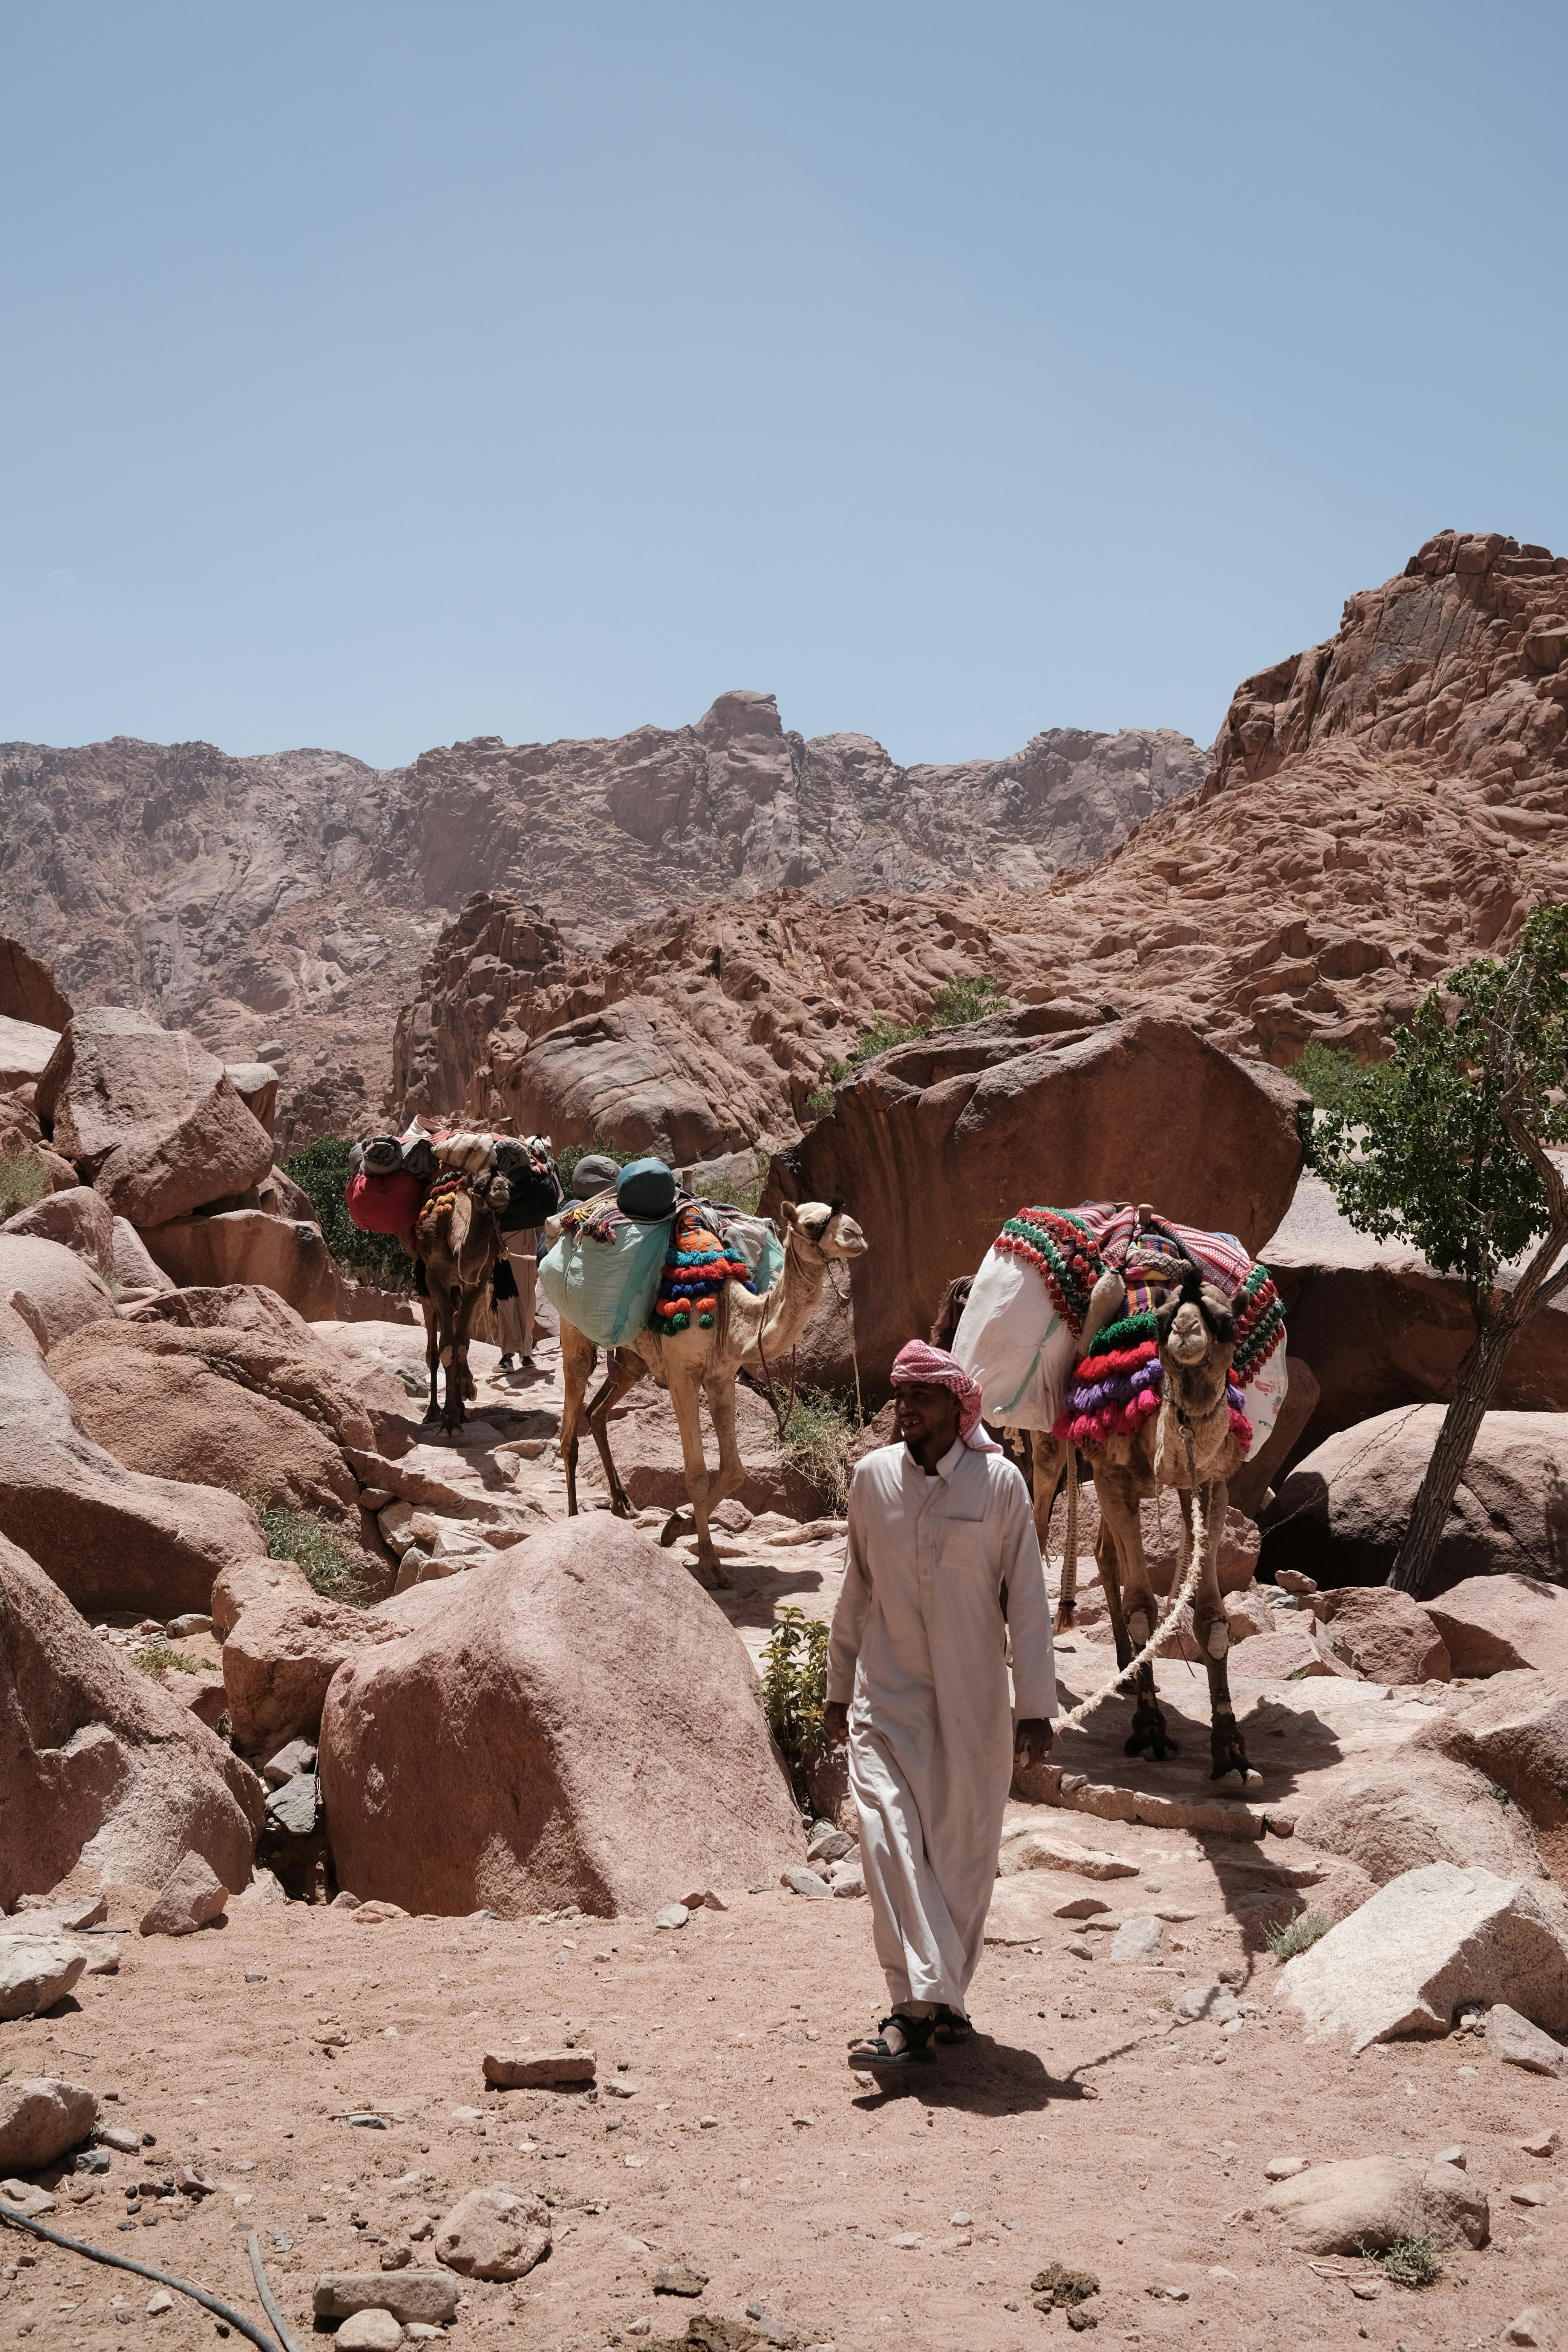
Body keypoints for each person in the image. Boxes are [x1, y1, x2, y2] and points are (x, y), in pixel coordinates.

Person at [825, 1338, 1057, 2069]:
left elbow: (1027, 1603)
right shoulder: (872, 1480)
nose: (906, 1410)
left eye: (920, 1398)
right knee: (887, 1840)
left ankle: (944, 2003)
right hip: (885, 1703)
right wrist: (839, 1688)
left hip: (973, 1705)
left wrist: (1036, 1708)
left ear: (959, 1410)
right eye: (900, 1397)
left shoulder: (1000, 1487)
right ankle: (909, 2010)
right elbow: (855, 1590)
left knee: (959, 1861)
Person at [496, 1226, 545, 1369]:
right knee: (507, 1303)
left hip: (529, 1254)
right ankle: (507, 1355)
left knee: (528, 1304)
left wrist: (542, 1248)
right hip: (505, 1250)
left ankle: (526, 1353)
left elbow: (540, 1223)